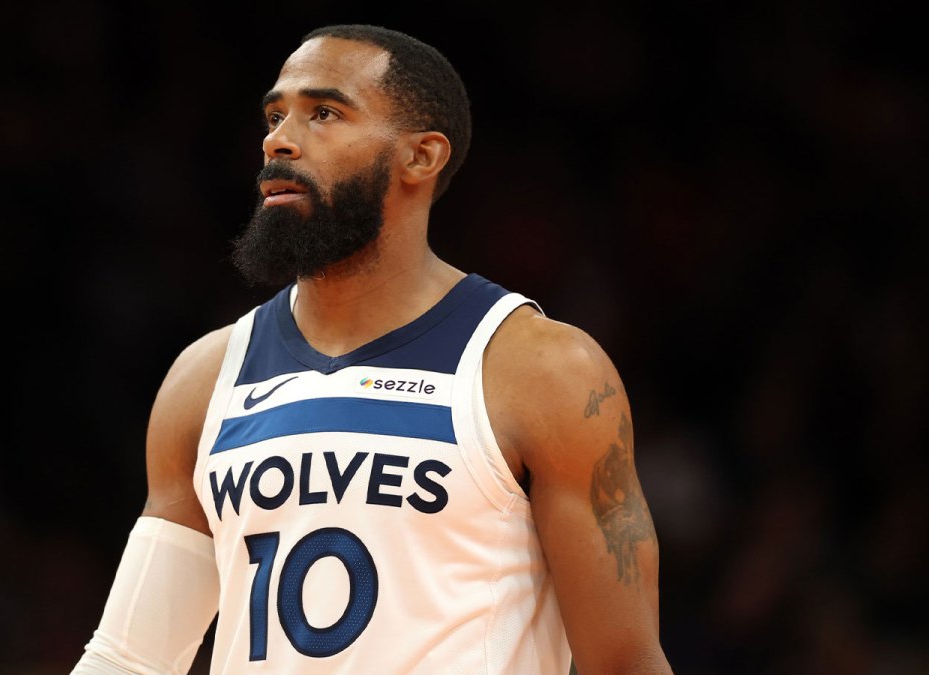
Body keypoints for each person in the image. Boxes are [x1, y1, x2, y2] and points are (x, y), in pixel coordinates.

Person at [73, 24, 671, 675]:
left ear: (422, 157)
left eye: (324, 112)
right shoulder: (206, 378)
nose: (279, 138)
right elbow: (130, 658)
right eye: (275, 115)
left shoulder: (542, 369)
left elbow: (626, 660)